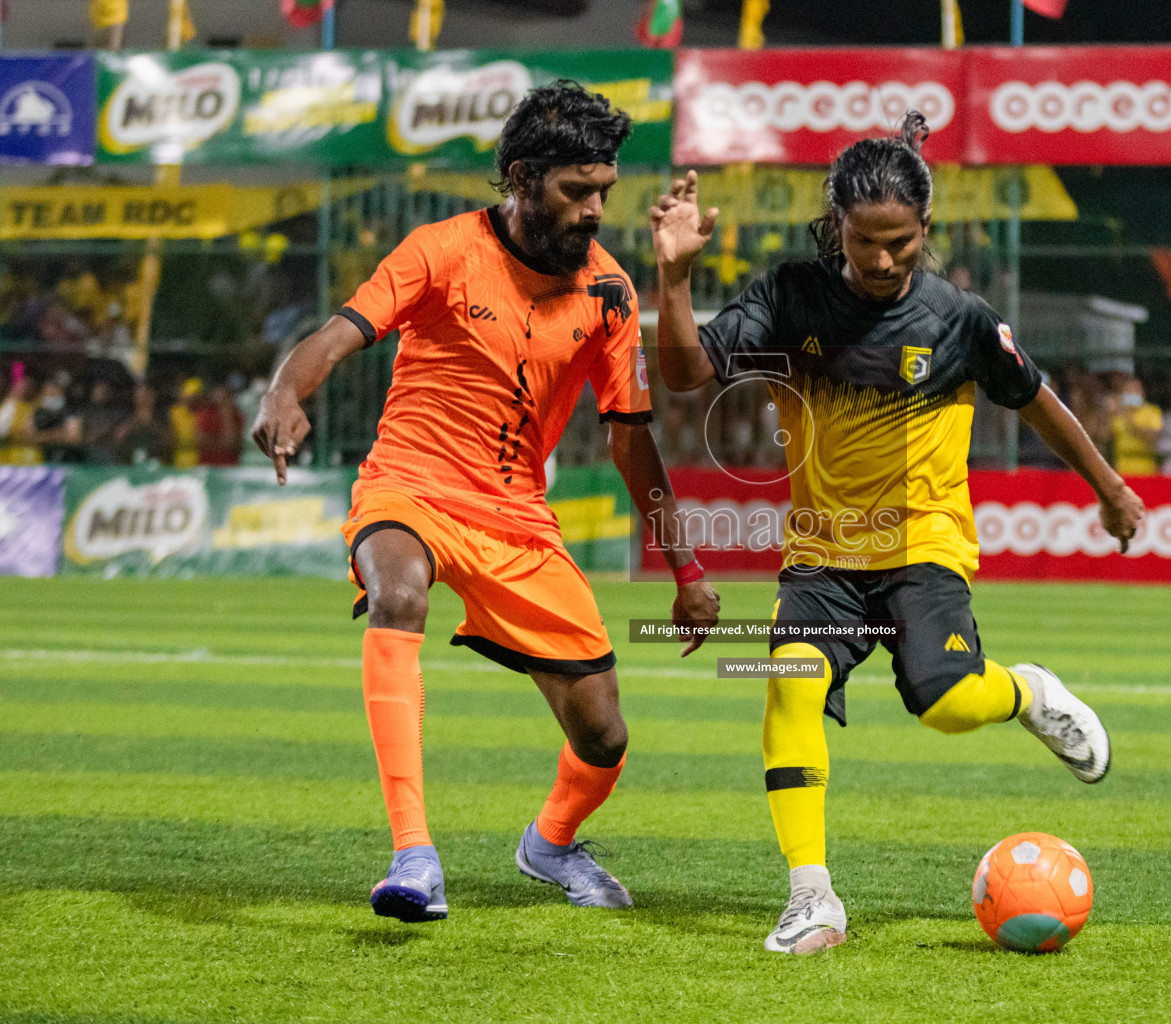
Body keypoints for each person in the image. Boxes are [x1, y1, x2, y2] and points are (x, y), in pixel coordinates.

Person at [649, 112, 1145, 955]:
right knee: (790, 683)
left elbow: (1036, 400)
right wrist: (674, 280)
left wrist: (1109, 487)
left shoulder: (958, 318)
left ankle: (1026, 692)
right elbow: (687, 372)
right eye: (865, 242)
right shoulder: (790, 297)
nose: (883, 262)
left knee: (948, 705)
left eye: (902, 245)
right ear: (835, 224)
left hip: (923, 544)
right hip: (821, 554)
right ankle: (812, 896)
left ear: (926, 230)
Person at [252, 81, 720, 924]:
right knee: (397, 592)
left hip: (517, 521)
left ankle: (549, 844)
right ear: (519, 177)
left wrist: (685, 567)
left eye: (604, 191)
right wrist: (286, 388)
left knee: (604, 737)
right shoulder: (439, 250)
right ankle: (414, 855)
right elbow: (338, 332)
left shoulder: (610, 291)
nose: (594, 210)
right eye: (577, 190)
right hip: (411, 484)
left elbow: (630, 438)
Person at [1108, 374, 1161, 476]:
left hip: (1146, 471)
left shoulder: (1152, 411)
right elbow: (1105, 439)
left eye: (1136, 390)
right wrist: (1108, 414)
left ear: (1142, 393)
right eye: (1129, 391)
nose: (1132, 394)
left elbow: (1153, 438)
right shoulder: (1117, 413)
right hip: (1121, 471)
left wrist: (1128, 418)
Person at [114, 384, 173, 466]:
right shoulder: (126, 414)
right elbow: (118, 438)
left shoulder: (162, 416)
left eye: (147, 395)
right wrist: (136, 420)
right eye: (140, 396)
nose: (144, 399)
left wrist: (151, 423)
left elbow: (170, 440)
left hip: (157, 463)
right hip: (131, 464)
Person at [196, 383, 244, 466]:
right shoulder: (205, 414)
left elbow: (231, 442)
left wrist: (227, 416)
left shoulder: (236, 415)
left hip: (229, 464)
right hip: (208, 464)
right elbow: (201, 441)